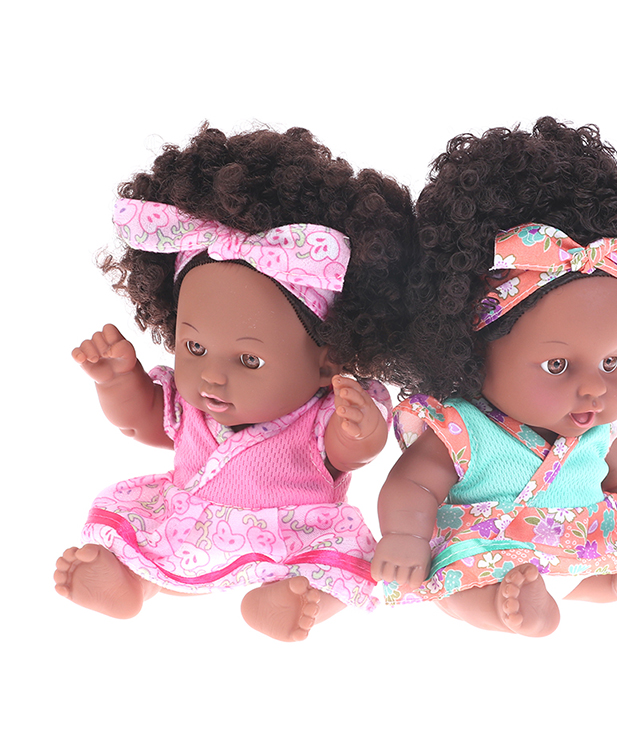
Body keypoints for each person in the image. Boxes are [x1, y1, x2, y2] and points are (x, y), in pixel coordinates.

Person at [371, 118, 617, 635]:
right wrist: (405, 538)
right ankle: (505, 608)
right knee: (460, 582)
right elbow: (413, 483)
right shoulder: (459, 428)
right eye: (557, 365)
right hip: (490, 549)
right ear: (472, 347)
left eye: (612, 362)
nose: (594, 387)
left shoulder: (598, 430)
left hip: (587, 545)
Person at [54, 124, 415, 641]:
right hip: (188, 521)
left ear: (327, 362)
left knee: (343, 566)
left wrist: (360, 427)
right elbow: (143, 424)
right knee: (144, 543)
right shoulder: (191, 403)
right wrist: (117, 381)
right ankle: (132, 583)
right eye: (194, 348)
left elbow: (350, 452)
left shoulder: (319, 415)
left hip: (294, 535)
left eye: (249, 359)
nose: (212, 374)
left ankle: (292, 603)